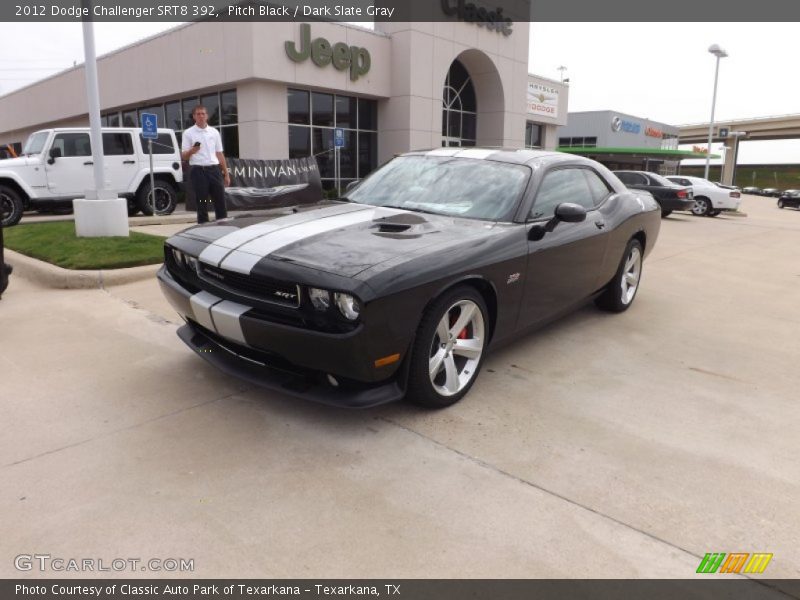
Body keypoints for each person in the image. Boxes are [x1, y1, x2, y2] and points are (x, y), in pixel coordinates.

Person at [181, 105, 231, 223]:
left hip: (214, 170)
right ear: (194, 117)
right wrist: (192, 151)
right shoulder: (188, 133)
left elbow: (219, 153)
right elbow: (184, 156)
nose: (201, 116)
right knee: (202, 201)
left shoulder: (214, 132)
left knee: (220, 199)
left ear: (207, 116)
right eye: (198, 114)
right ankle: (203, 227)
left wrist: (226, 173)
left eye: (203, 113)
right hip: (198, 171)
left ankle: (223, 225)